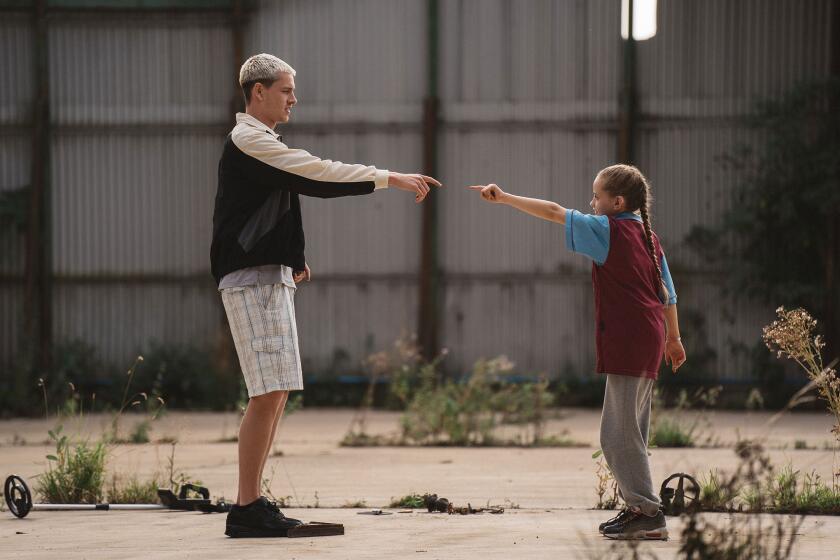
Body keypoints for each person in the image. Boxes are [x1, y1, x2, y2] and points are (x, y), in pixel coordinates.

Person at [211, 53, 441, 538]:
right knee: (266, 391)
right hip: (250, 278)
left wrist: (291, 257)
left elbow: (276, 202)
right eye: (286, 89)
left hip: (268, 275)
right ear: (258, 92)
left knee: (277, 390)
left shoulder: (263, 143)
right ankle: (246, 506)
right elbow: (314, 175)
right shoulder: (249, 140)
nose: (294, 98)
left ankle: (252, 503)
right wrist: (388, 177)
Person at [468, 164, 686, 540]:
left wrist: (504, 198)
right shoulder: (649, 237)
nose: (592, 203)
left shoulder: (608, 229)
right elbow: (669, 292)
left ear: (617, 202)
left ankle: (647, 512)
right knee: (631, 430)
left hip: (630, 339)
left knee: (617, 436)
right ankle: (640, 509)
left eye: (597, 197)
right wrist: (674, 339)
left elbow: (554, 212)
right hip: (648, 338)